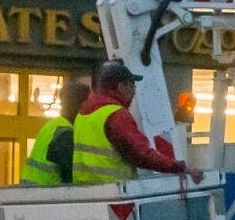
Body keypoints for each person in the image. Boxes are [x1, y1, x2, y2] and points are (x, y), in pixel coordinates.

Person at [72, 61, 204, 186]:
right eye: (131, 85)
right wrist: (180, 167)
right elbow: (143, 155)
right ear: (120, 87)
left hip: (84, 194)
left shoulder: (83, 114)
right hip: (116, 193)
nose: (134, 91)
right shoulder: (116, 115)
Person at [21, 78, 90, 186]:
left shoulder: (51, 126)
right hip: (47, 197)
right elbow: (70, 179)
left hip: (32, 195)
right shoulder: (66, 134)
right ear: (80, 104)